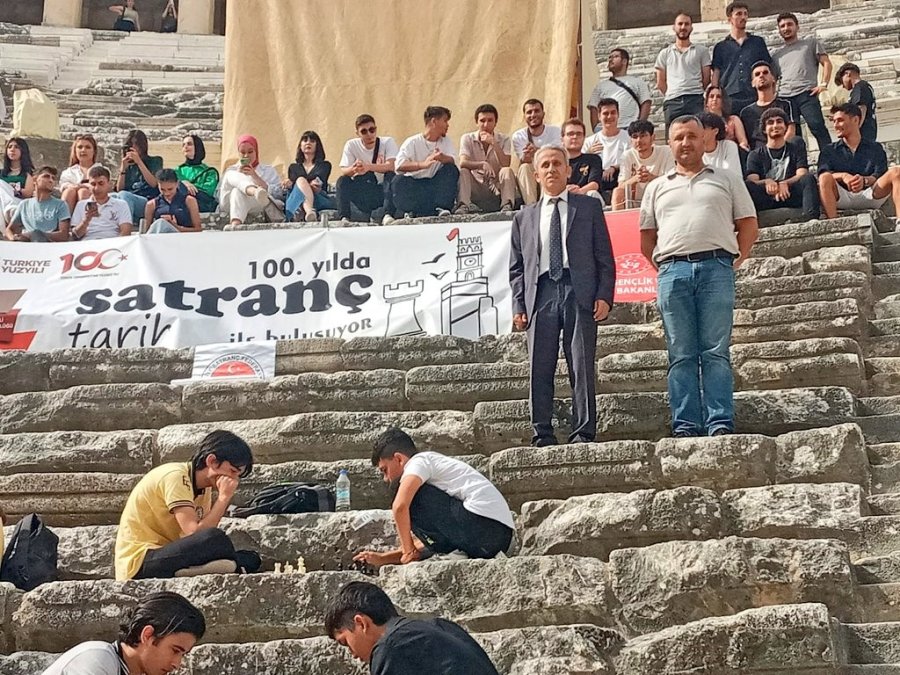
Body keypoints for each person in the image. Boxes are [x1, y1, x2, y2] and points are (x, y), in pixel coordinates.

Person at [640, 115, 758, 437]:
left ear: (704, 139)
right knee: (680, 353)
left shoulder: (727, 178)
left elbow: (748, 223)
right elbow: (646, 237)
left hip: (716, 269)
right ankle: (686, 423)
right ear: (670, 143)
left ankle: (720, 420)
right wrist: (664, 268)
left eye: (692, 136)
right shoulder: (656, 187)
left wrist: (737, 260)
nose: (685, 143)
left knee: (715, 350)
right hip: (672, 272)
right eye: (678, 138)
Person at [509, 144, 616, 446]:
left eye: (558, 164)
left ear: (568, 170)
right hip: (540, 293)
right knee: (539, 365)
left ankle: (583, 430)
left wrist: (605, 295)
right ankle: (542, 431)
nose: (552, 169)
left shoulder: (588, 208)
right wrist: (519, 303)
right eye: (545, 165)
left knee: (581, 363)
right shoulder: (524, 217)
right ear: (536, 174)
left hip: (578, 289)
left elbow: (604, 256)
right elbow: (517, 266)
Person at [114, 430, 261, 581]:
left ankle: (211, 568)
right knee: (216, 538)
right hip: (141, 562)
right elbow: (195, 533)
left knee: (252, 558)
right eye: (232, 471)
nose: (234, 480)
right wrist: (224, 498)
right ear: (212, 461)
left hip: (171, 555)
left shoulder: (205, 489)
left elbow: (197, 539)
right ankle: (223, 567)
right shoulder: (175, 476)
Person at [354, 428, 514, 566]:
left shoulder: (418, 462)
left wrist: (408, 553)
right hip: (494, 539)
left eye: (384, 470)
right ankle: (454, 552)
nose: (385, 478)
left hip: (485, 527)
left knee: (402, 493)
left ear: (399, 459)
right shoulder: (435, 474)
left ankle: (450, 552)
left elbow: (400, 506)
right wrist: (384, 558)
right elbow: (431, 540)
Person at [326, 581, 500, 675]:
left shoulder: (390, 647)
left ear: (361, 623)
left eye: (346, 643)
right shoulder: (440, 626)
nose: (353, 654)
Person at [41, 591, 204, 675]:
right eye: (175, 651)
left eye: (183, 655)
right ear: (147, 635)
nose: (177, 663)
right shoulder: (97, 657)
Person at [818, 103, 900, 219]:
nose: (836, 125)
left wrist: (864, 181)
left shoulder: (875, 147)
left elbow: (879, 174)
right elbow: (822, 174)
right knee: (824, 177)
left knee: (896, 172)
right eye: (834, 121)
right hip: (842, 196)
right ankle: (834, 223)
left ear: (856, 120)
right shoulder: (829, 150)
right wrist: (844, 176)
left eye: (840, 120)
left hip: (871, 193)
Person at [745, 108, 820, 220]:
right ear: (764, 130)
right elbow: (752, 179)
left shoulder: (796, 148)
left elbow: (802, 173)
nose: (775, 125)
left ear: (785, 127)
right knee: (747, 186)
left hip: (790, 193)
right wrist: (767, 182)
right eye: (770, 122)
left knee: (808, 179)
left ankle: (812, 220)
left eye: (779, 121)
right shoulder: (755, 154)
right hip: (768, 197)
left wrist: (785, 183)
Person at [772, 12, 832, 151]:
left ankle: (831, 161)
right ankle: (799, 166)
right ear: (779, 30)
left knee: (817, 126)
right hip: (785, 97)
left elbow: (826, 63)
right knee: (793, 136)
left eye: (789, 24)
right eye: (782, 26)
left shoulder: (811, 43)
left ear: (797, 27)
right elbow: (773, 78)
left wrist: (823, 84)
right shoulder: (776, 55)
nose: (786, 28)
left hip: (807, 93)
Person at [393, 106, 459, 218]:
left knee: (451, 170)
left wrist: (442, 157)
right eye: (445, 121)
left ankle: (441, 207)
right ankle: (410, 210)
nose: (448, 125)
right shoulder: (412, 142)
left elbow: (453, 160)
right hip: (415, 185)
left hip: (434, 186)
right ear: (434, 121)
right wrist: (422, 165)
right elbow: (399, 165)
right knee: (398, 181)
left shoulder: (446, 141)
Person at [712, 2, 774, 115]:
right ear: (729, 19)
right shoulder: (720, 47)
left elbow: (768, 67)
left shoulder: (758, 42)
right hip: (729, 98)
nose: (743, 17)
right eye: (739, 14)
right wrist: (715, 94)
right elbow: (716, 73)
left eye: (745, 14)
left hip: (755, 95)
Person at [655, 12, 711, 136]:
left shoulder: (702, 51)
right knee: (673, 138)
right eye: (680, 24)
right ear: (674, 27)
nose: (683, 27)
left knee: (697, 135)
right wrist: (674, 92)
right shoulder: (664, 54)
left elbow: (706, 77)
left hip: (695, 99)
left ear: (691, 27)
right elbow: (660, 82)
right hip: (672, 101)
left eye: (687, 24)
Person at [336, 114, 398, 225]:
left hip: (383, 190)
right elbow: (344, 170)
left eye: (372, 130)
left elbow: (391, 166)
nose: (369, 134)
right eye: (364, 132)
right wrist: (355, 168)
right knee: (342, 180)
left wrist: (368, 166)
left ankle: (388, 214)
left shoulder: (387, 142)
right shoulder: (351, 145)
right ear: (357, 134)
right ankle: (344, 218)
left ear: (376, 129)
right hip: (364, 190)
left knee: (390, 175)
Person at [457, 103, 516, 214]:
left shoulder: (504, 139)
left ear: (495, 122)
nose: (486, 124)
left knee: (507, 171)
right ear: (476, 122)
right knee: (463, 171)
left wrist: (494, 143)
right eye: (482, 121)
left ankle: (507, 205)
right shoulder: (467, 138)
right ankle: (463, 205)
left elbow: (505, 164)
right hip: (476, 186)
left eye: (490, 120)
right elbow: (463, 162)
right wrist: (482, 164)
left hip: (497, 186)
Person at [218, 134, 283, 226]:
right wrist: (239, 174)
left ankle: (235, 224)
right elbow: (218, 193)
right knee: (231, 177)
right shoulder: (231, 169)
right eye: (242, 152)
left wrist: (255, 176)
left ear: (256, 151)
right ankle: (254, 191)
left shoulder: (269, 170)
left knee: (237, 192)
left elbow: (279, 194)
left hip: (256, 203)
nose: (246, 156)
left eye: (250, 152)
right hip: (229, 203)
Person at [612, 120, 674, 210]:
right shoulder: (627, 155)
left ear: (653, 137)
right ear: (631, 140)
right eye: (635, 137)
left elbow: (672, 181)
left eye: (643, 135)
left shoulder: (666, 152)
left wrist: (651, 177)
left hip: (660, 198)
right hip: (635, 201)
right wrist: (636, 178)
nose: (639, 140)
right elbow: (621, 185)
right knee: (617, 192)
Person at [739, 61, 800, 151]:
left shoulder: (786, 104)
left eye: (765, 72)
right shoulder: (746, 112)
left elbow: (791, 131)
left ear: (773, 79)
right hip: (758, 156)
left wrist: (776, 149)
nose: (761, 76)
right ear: (752, 83)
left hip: (783, 150)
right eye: (757, 74)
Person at [588, 48, 652, 132]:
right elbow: (593, 107)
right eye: (610, 57)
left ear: (624, 61)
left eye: (615, 57)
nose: (611, 60)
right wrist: (596, 128)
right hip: (606, 129)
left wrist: (640, 126)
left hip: (629, 127)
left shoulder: (637, 82)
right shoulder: (600, 86)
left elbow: (646, 102)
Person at [512, 99, 562, 205]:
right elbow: (524, 159)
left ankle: (548, 203)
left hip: (549, 171)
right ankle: (532, 206)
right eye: (529, 112)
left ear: (543, 113)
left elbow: (557, 155)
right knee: (524, 167)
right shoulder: (519, 136)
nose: (533, 115)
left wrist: (538, 151)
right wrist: (527, 155)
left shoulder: (555, 131)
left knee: (548, 166)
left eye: (536, 111)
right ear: (524, 116)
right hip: (531, 174)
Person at [5, 166, 70, 242]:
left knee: (37, 233)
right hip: (26, 245)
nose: (51, 180)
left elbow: (64, 235)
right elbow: (9, 230)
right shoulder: (24, 204)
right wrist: (13, 238)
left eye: (53, 178)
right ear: (35, 179)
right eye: (46, 176)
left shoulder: (60, 205)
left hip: (48, 245)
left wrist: (34, 234)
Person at [581, 98, 631, 195]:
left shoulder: (628, 138)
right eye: (605, 113)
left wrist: (613, 167)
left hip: (620, 178)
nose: (609, 116)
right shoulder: (589, 141)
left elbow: (631, 159)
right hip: (597, 179)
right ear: (599, 116)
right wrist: (588, 154)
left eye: (613, 113)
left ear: (618, 114)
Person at [284, 130, 335, 222]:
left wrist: (299, 183)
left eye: (312, 141)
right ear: (300, 145)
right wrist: (289, 183)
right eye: (305, 140)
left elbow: (319, 183)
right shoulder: (293, 167)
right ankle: (309, 212)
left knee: (300, 181)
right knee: (301, 181)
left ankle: (307, 212)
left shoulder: (324, 165)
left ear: (317, 145)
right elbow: (293, 186)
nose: (308, 143)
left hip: (317, 199)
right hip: (296, 200)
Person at [70, 165, 133, 241]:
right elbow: (75, 236)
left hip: (112, 245)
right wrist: (86, 220)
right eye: (93, 184)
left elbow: (126, 232)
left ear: (109, 184)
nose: (97, 188)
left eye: (101, 183)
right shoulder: (81, 205)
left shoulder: (121, 204)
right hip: (87, 245)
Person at [113, 129, 162, 222]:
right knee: (111, 197)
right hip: (127, 198)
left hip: (146, 201)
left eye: (134, 145)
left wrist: (139, 162)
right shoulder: (128, 165)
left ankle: (126, 227)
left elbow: (154, 183)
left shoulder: (155, 161)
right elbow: (119, 189)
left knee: (124, 195)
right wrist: (123, 168)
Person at [142, 169, 202, 234]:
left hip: (182, 238)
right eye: (162, 189)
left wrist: (176, 227)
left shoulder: (189, 201)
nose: (167, 193)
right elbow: (147, 232)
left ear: (177, 184)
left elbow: (198, 229)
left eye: (170, 189)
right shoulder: (151, 204)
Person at [562, 118, 604, 202]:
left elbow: (594, 184)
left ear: (584, 138)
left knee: (592, 193)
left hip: (586, 199)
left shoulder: (593, 159)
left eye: (579, 134)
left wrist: (579, 191)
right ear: (562, 139)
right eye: (570, 134)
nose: (575, 137)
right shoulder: (557, 162)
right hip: (564, 199)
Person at [175, 134, 219, 213]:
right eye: (183, 145)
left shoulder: (210, 172)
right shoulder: (178, 170)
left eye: (189, 144)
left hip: (200, 203)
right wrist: (185, 182)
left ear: (197, 147)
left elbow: (208, 191)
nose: (185, 147)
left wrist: (189, 188)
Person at [835, 62, 877, 142]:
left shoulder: (860, 88)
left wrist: (853, 132)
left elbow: (860, 110)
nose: (843, 86)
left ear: (848, 73)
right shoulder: (865, 86)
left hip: (863, 134)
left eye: (842, 81)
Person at [0, 137, 35, 232]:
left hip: (18, 204)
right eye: (10, 147)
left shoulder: (27, 173)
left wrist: (10, 189)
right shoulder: (1, 173)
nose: (12, 149)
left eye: (16, 147)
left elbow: (28, 193)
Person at [59, 134, 100, 214]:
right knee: (69, 192)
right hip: (72, 201)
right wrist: (74, 187)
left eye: (88, 147)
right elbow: (63, 185)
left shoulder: (102, 170)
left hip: (97, 205)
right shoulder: (68, 172)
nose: (83, 150)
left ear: (94, 151)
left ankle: (87, 223)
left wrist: (82, 186)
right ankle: (65, 223)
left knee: (83, 192)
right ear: (75, 151)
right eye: (80, 147)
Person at [704, 85, 750, 152]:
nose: (714, 99)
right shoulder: (702, 122)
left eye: (718, 97)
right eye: (711, 96)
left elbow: (743, 142)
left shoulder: (733, 120)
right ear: (706, 102)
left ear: (723, 101)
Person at [700, 112, 743, 176]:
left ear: (715, 131)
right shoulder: (694, 149)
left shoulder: (728, 146)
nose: (699, 132)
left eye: (703, 129)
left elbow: (733, 175)